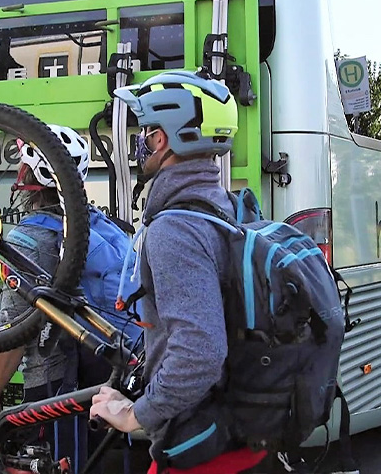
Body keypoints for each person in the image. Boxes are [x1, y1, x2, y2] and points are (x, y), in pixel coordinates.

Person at [90, 70, 270, 474]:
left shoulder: (175, 228)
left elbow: (200, 350)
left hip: (199, 450)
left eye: (146, 130)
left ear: (162, 138)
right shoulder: (222, 205)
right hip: (235, 433)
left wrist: (137, 414)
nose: (141, 142)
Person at [0, 124, 140, 473]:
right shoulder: (99, 224)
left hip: (57, 386)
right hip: (114, 379)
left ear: (29, 176)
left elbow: (16, 331)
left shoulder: (31, 237)